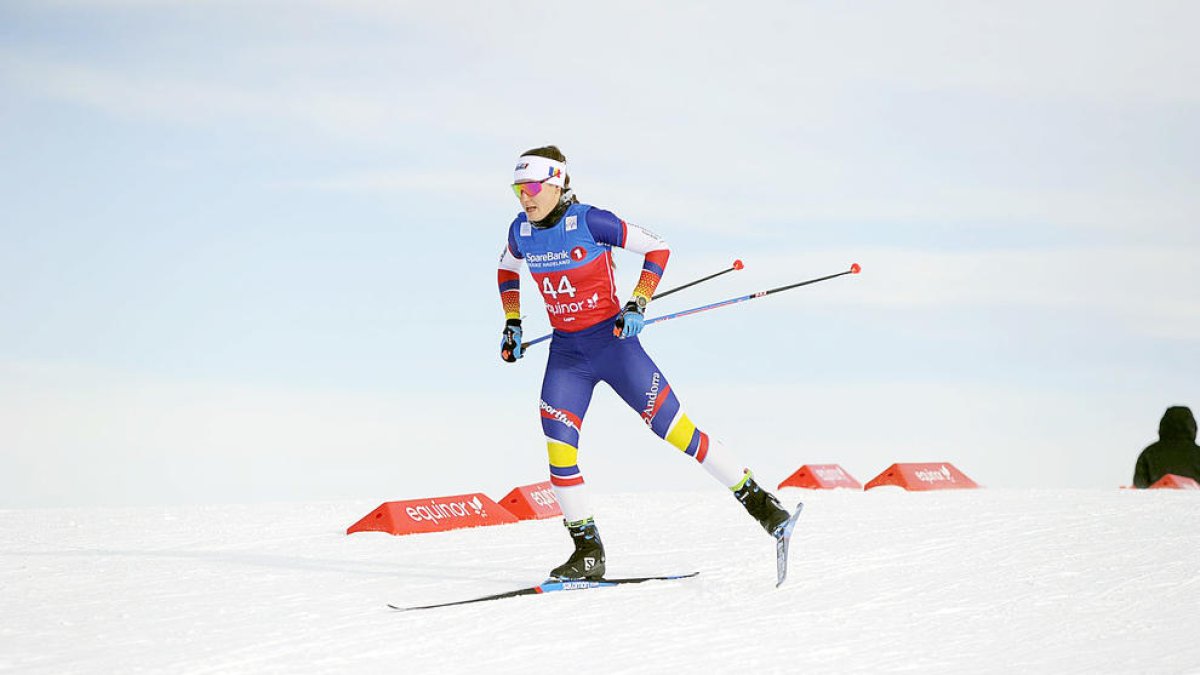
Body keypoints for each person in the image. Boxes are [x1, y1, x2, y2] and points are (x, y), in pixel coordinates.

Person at [496, 145, 792, 580]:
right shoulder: (520, 230)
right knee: (558, 449)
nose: (526, 197)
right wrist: (513, 323)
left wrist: (638, 303)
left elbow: (658, 247)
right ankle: (588, 552)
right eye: (518, 189)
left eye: (534, 187)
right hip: (567, 356)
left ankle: (765, 508)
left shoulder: (591, 221)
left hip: (613, 346)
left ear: (558, 184)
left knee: (678, 432)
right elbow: (507, 268)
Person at [1132, 405, 1200, 488]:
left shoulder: (1149, 453)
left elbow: (1139, 486)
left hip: (1158, 500)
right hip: (1193, 500)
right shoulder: (1197, 453)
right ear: (1193, 426)